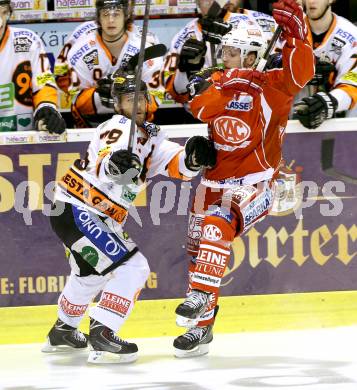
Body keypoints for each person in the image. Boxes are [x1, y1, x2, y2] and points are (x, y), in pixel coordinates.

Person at [41, 68, 215, 364]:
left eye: (140, 99)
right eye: (127, 100)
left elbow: (177, 166)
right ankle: (104, 330)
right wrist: (116, 164)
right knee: (134, 268)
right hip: (81, 209)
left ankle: (63, 330)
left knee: (89, 274)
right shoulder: (118, 126)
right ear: (117, 105)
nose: (134, 106)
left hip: (80, 212)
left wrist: (192, 158)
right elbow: (108, 157)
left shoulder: (153, 137)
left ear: (149, 101)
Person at [173, 0, 315, 358]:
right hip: (211, 184)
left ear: (253, 56)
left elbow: (301, 74)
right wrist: (226, 80)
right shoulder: (221, 79)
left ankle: (199, 295)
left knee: (216, 228)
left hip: (255, 184)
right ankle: (202, 328)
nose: (226, 57)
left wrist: (297, 34)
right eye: (226, 51)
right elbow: (201, 107)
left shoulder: (274, 88)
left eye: (235, 52)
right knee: (197, 253)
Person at [63, 0, 165, 128]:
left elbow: (155, 99)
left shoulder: (145, 49)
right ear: (98, 17)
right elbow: (76, 103)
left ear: (126, 16)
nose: (111, 20)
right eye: (105, 14)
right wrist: (97, 96)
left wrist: (125, 94)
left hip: (136, 126)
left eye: (116, 14)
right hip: (92, 127)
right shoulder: (79, 51)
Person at [163, 0, 276, 106]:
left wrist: (234, 38)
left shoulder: (247, 23)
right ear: (197, 2)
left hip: (246, 107)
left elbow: (268, 71)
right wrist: (185, 69)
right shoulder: (183, 37)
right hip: (202, 112)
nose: (212, 2)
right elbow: (176, 94)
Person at [0, 0, 65, 133]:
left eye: (3, 13)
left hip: (22, 136)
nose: (0, 22)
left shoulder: (28, 41)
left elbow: (43, 81)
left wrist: (46, 107)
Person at [294, 0, 357, 129]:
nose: (311, 1)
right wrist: (297, 68)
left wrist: (327, 102)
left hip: (340, 123)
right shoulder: (290, 30)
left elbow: (352, 83)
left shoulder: (351, 35)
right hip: (294, 120)